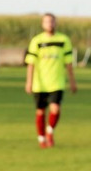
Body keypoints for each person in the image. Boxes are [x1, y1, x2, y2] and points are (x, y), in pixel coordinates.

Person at [25, 13, 77, 148]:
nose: (50, 24)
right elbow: (31, 63)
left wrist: (72, 81)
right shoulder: (37, 41)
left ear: (56, 23)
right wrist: (29, 81)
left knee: (55, 108)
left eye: (52, 21)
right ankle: (41, 138)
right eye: (47, 22)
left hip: (57, 81)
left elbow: (69, 63)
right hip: (39, 83)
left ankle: (50, 132)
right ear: (42, 24)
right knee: (40, 111)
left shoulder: (63, 40)